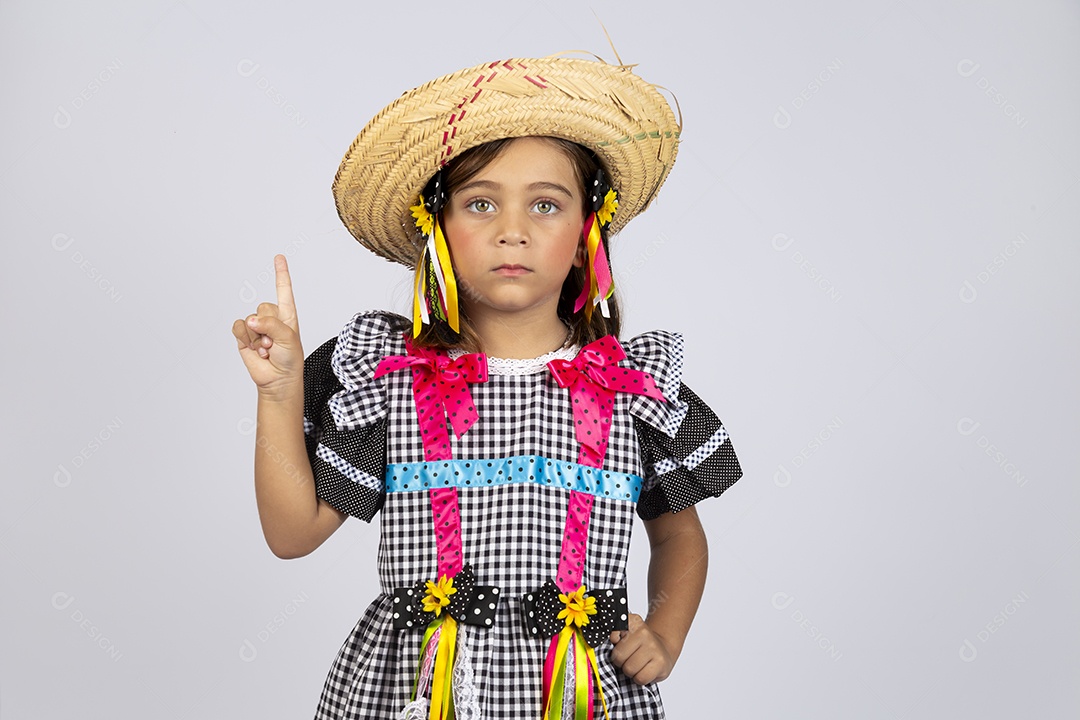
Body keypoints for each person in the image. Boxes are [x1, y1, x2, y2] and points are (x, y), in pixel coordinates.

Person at [232, 54, 744, 720]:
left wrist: (666, 635)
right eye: (480, 203)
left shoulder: (631, 390)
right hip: (418, 693)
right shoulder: (392, 380)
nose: (513, 229)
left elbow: (680, 537)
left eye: (545, 204)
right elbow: (291, 533)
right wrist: (279, 393)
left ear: (587, 228)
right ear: (438, 228)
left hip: (576, 695)